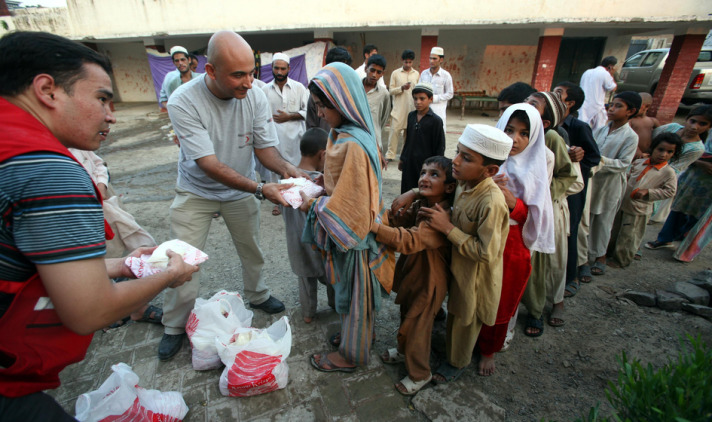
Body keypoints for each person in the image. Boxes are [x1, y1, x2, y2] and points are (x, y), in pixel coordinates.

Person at [0, 31, 198, 420]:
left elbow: (35, 262)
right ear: (47, 90)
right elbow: (89, 311)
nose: (111, 114)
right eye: (102, 98)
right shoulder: (47, 171)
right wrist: (169, 275)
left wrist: (123, 265)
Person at [161, 31, 303, 361]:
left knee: (251, 248)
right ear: (210, 71)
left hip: (239, 191)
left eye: (252, 72)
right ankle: (174, 324)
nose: (249, 82)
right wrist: (258, 188)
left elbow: (266, 150)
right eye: (238, 74)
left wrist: (287, 170)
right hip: (196, 190)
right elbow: (208, 164)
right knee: (182, 260)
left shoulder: (253, 96)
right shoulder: (183, 100)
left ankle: (257, 294)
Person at [303, 62, 395, 372]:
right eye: (316, 106)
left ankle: (352, 356)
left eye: (323, 106)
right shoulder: (345, 134)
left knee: (357, 299)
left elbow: (352, 208)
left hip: (356, 240)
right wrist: (322, 184)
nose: (320, 114)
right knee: (352, 294)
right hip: (355, 236)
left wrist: (313, 207)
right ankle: (355, 339)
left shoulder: (352, 143)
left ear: (342, 102)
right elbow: (344, 183)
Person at [409, 124, 511, 383]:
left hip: (475, 276)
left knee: (465, 319)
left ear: (490, 170)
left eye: (466, 158)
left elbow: (486, 252)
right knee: (455, 310)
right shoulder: (465, 183)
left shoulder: (491, 201)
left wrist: (448, 227)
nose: (455, 161)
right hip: (458, 265)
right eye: (458, 152)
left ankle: (457, 362)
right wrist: (412, 193)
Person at [475, 103, 555, 376]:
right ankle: (469, 336)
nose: (514, 139)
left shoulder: (537, 166)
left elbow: (537, 217)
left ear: (533, 137)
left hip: (511, 243)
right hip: (481, 235)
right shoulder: (486, 159)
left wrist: (514, 204)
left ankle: (489, 349)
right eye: (509, 130)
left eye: (523, 133)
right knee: (474, 290)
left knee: (501, 298)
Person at [373, 156, 456, 395]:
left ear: (449, 187)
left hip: (430, 283)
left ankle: (420, 373)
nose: (424, 178)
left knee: (418, 329)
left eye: (433, 174)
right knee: (406, 315)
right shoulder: (423, 205)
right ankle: (402, 351)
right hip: (413, 276)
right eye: (422, 172)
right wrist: (390, 215)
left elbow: (410, 239)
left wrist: (376, 228)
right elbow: (402, 223)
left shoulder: (441, 216)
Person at [521, 92, 580, 335]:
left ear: (546, 120)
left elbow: (570, 177)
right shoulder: (513, 133)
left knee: (545, 263)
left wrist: (542, 195)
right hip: (519, 208)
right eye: (526, 100)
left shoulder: (552, 138)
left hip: (547, 209)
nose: (526, 104)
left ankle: (543, 309)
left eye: (534, 103)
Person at [282, 128, 334, 323]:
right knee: (331, 278)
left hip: (296, 243)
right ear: (323, 154)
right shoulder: (321, 185)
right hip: (319, 244)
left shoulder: (286, 182)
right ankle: (335, 305)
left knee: (305, 281)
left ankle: (308, 314)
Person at [552, 81, 601, 292]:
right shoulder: (549, 125)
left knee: (569, 231)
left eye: (558, 94)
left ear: (570, 103)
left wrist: (577, 159)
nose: (553, 96)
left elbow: (594, 157)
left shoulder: (579, 128)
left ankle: (570, 277)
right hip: (552, 186)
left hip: (572, 189)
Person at [586, 91, 640, 276]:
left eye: (618, 106)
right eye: (611, 105)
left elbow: (624, 164)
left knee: (604, 221)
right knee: (589, 218)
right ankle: (585, 255)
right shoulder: (601, 129)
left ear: (630, 111)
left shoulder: (630, 136)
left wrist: (599, 160)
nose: (611, 109)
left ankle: (600, 256)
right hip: (594, 181)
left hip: (610, 184)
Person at [608, 133, 681, 267]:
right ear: (653, 148)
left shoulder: (668, 172)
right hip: (623, 203)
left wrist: (649, 192)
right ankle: (609, 252)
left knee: (630, 236)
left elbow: (670, 191)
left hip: (639, 209)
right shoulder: (639, 162)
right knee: (615, 230)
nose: (663, 154)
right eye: (660, 149)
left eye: (669, 152)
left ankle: (621, 260)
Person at [647, 133, 712, 259]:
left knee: (701, 216)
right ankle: (666, 238)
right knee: (679, 208)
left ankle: (686, 242)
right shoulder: (702, 143)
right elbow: (687, 156)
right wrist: (701, 163)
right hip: (693, 179)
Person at [262, 52, 309, 215]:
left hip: (296, 137)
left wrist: (290, 116)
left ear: (289, 68)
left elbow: (308, 111)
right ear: (272, 68)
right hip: (274, 138)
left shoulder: (299, 88)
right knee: (275, 168)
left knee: (295, 166)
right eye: (276, 68)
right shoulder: (265, 89)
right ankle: (278, 201)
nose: (280, 72)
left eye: (283, 68)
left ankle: (297, 196)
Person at [648, 105, 712, 224]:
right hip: (645, 165)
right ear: (687, 119)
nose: (694, 127)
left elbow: (674, 168)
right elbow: (651, 139)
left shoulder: (697, 148)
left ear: (709, 127)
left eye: (702, 124)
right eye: (692, 121)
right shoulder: (672, 127)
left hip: (662, 177)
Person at [398, 83, 446, 193]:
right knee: (406, 189)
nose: (418, 102)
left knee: (421, 190)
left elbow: (440, 145)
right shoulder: (411, 116)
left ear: (430, 99)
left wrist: (437, 167)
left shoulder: (435, 120)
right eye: (415, 99)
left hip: (425, 164)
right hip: (409, 161)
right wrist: (402, 158)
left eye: (422, 99)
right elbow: (408, 139)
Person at [306, 47, 352, 132]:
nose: (320, 114)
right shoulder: (317, 93)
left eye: (346, 68)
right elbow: (311, 127)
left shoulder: (353, 93)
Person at [386, 49, 420, 161]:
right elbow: (390, 91)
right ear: (402, 61)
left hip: (411, 108)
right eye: (406, 62)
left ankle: (404, 156)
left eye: (410, 62)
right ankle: (390, 155)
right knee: (394, 133)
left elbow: (418, 91)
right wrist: (401, 88)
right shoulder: (395, 73)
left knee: (408, 135)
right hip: (398, 109)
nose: (408, 64)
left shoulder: (416, 74)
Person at [418, 46, 454, 131]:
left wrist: (435, 98)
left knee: (437, 136)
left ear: (441, 60)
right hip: (424, 111)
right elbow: (419, 90)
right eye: (430, 58)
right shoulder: (424, 74)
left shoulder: (446, 75)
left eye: (434, 59)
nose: (431, 61)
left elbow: (450, 94)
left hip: (438, 111)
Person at [578, 56, 618, 131]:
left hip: (583, 105)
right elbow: (613, 88)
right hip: (597, 106)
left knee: (581, 127)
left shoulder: (587, 72)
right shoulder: (605, 74)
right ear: (610, 66)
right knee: (598, 130)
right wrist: (612, 74)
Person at [362, 54, 391, 155]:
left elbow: (382, 119)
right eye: (372, 70)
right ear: (366, 69)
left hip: (374, 142)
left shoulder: (384, 94)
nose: (374, 75)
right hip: (355, 140)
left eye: (379, 72)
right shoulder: (355, 89)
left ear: (382, 74)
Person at [159, 46, 199, 110]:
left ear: (189, 60)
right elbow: (164, 99)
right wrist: (174, 111)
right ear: (173, 63)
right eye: (177, 61)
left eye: (183, 60)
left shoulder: (200, 78)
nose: (180, 63)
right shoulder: (172, 82)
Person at [629, 93, 660, 159]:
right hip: (632, 153)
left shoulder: (652, 121)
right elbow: (627, 137)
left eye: (636, 106)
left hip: (647, 155)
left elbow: (661, 137)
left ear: (647, 106)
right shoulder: (630, 121)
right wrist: (637, 150)